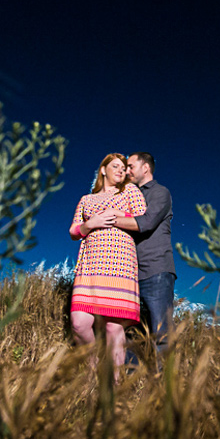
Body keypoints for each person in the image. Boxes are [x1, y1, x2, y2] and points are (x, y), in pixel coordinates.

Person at [69, 153, 147, 376]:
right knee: (79, 323)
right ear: (103, 169)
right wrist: (90, 224)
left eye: (124, 168)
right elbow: (74, 231)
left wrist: (115, 213)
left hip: (120, 265)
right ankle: (95, 368)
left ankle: (114, 386)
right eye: (115, 166)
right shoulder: (86, 200)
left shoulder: (130, 191)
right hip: (90, 266)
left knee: (114, 328)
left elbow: (142, 219)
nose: (121, 171)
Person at [104, 152, 175, 357]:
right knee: (127, 330)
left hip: (156, 270)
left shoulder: (160, 193)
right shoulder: (125, 194)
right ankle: (132, 382)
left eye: (131, 166)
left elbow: (146, 223)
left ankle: (165, 385)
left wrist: (106, 219)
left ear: (145, 168)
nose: (126, 171)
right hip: (129, 274)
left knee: (161, 332)